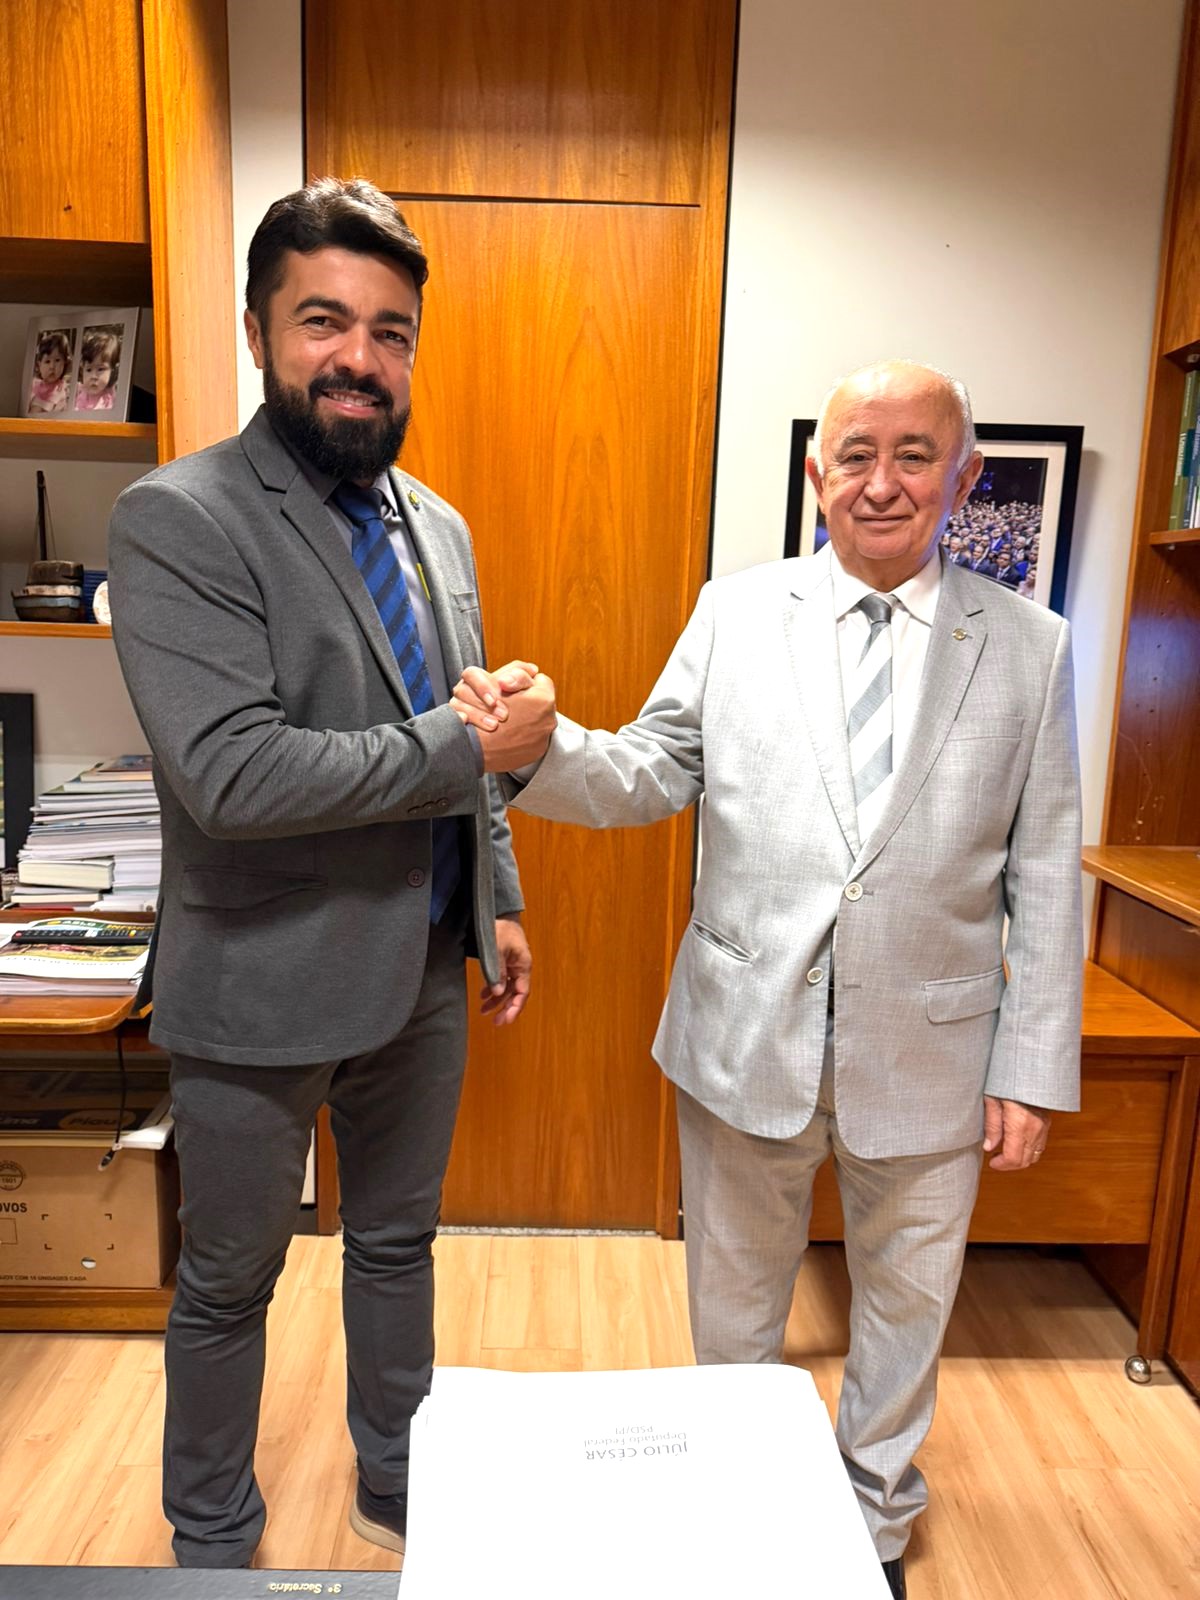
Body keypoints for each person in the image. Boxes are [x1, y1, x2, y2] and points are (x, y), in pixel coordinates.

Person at [451, 360, 1083, 1599]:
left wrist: (1031, 1066)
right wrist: (540, 748)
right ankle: (737, 1511)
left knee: (906, 1312)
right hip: (745, 1034)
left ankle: (874, 1521)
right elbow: (649, 768)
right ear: (816, 474)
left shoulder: (1032, 646)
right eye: (857, 454)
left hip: (934, 1051)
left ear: (963, 478)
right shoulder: (735, 613)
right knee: (734, 1312)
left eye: (915, 455)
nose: (883, 481)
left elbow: (1048, 868)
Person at [108, 177, 545, 1571]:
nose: (361, 356)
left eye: (391, 331)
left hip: (424, 965)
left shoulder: (440, 525)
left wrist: (499, 893)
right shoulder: (179, 517)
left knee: (398, 1244)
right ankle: (212, 1533)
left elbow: (466, 728)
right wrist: (467, 748)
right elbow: (232, 775)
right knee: (228, 1279)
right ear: (259, 332)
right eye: (323, 321)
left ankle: (401, 1487)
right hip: (259, 976)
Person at [74, 325, 121, 410]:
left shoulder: (113, 398)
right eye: (89, 370)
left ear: (112, 370)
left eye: (100, 369)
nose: (93, 376)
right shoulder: (78, 393)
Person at [27, 328, 72, 413]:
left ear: (65, 362)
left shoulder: (64, 391)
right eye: (47, 361)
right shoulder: (32, 386)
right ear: (39, 365)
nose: (52, 366)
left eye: (57, 360)